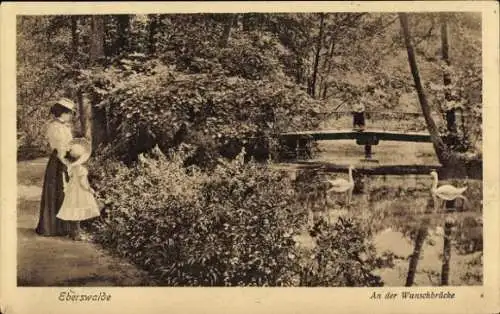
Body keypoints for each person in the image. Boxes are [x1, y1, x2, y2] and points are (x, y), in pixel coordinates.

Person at [35, 98, 76, 237]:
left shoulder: (63, 126)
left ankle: (61, 227)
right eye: (69, 113)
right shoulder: (56, 127)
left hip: (62, 159)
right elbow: (59, 149)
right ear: (62, 113)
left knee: (61, 192)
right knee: (57, 191)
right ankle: (51, 227)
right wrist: (67, 163)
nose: (71, 115)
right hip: (58, 161)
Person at [57, 138, 100, 241]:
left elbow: (70, 178)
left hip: (72, 191)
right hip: (79, 191)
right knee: (79, 211)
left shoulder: (71, 167)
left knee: (74, 211)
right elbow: (82, 183)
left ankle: (74, 233)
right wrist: (90, 189)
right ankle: (77, 234)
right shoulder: (81, 169)